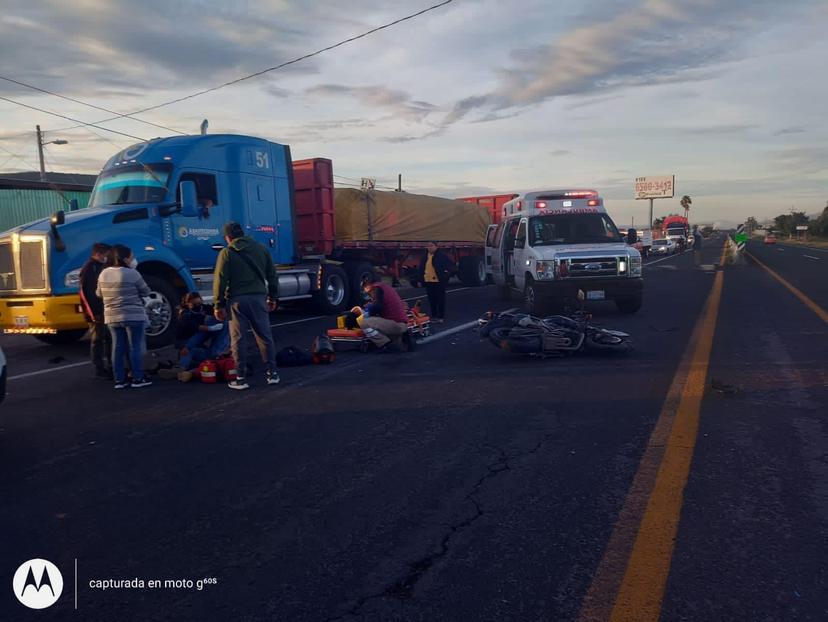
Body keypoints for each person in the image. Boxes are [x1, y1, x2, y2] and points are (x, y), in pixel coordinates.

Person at [213, 221, 279, 390]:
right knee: (265, 336)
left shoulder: (227, 253)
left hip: (237, 301)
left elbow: (220, 280)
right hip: (258, 298)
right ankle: (272, 374)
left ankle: (240, 378)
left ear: (228, 237)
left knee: (238, 339)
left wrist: (218, 305)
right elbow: (272, 275)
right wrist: (273, 297)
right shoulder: (261, 249)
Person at [96, 244, 152, 389]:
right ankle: (138, 378)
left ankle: (119, 380)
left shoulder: (103, 273)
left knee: (117, 348)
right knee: (135, 348)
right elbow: (146, 291)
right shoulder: (132, 273)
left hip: (112, 317)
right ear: (125, 258)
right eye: (131, 257)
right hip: (133, 316)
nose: (132, 260)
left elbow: (99, 294)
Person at [79, 242, 112, 379]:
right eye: (105, 255)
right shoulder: (89, 269)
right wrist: (93, 314)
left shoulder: (100, 267)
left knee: (109, 339)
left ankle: (111, 365)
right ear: (98, 254)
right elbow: (86, 293)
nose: (107, 258)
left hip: (105, 310)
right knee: (97, 340)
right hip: (96, 313)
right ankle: (99, 369)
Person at [355, 275, 409, 352]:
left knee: (364, 323)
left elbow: (377, 307)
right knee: (373, 322)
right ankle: (395, 339)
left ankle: (384, 344)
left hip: (396, 324)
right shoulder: (383, 287)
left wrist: (368, 311)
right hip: (399, 323)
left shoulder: (376, 289)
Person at [418, 242, 453, 323]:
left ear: (436, 247)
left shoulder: (441, 256)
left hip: (438, 281)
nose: (429, 247)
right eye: (428, 246)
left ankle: (440, 316)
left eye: (431, 246)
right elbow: (421, 269)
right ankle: (434, 316)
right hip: (428, 280)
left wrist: (446, 275)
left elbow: (450, 266)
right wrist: (420, 280)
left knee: (440, 299)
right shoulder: (425, 257)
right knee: (431, 299)